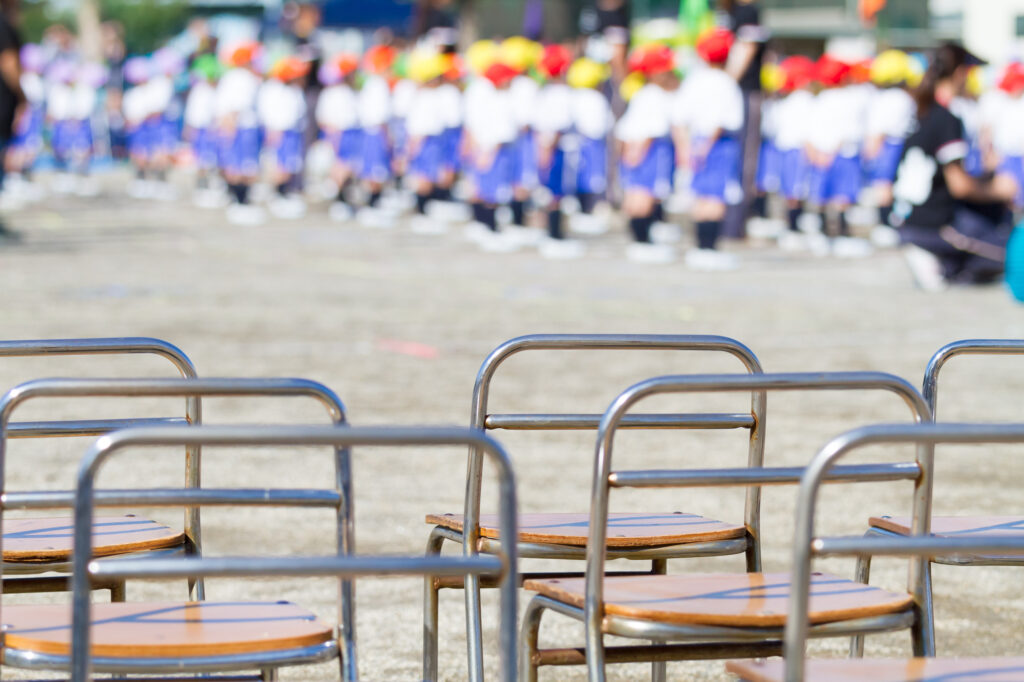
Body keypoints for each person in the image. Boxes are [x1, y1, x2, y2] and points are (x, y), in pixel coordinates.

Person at [892, 42, 1018, 291]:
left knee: (985, 237)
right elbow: (960, 186)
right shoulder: (947, 117)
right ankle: (934, 259)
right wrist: (1000, 190)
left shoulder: (921, 110)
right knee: (1011, 256)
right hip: (934, 223)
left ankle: (945, 265)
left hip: (906, 215)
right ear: (960, 73)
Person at [673, 27, 743, 270]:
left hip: (695, 140)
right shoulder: (726, 82)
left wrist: (685, 148)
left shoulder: (693, 80)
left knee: (700, 195)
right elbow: (720, 120)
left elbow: (679, 118)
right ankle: (710, 249)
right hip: (719, 144)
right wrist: (706, 146)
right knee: (715, 198)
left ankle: (699, 246)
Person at [720, 0, 767, 241]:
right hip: (738, 93)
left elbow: (746, 49)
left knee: (744, 159)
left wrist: (724, 85)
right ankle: (728, 222)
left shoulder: (748, 12)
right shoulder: (735, 11)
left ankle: (734, 223)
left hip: (745, 93)